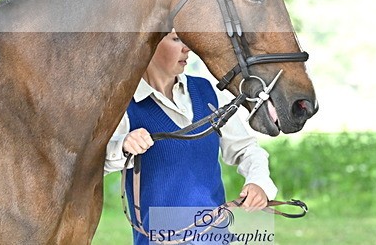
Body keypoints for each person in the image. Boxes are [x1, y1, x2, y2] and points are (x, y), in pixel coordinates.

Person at [105, 30, 277, 244]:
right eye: (177, 39)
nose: (188, 48)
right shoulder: (124, 105)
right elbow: (96, 165)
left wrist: (259, 182)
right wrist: (122, 145)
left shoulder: (207, 92)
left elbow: (247, 149)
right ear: (149, 44)